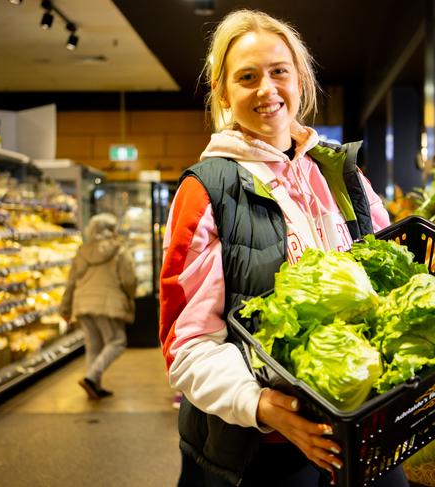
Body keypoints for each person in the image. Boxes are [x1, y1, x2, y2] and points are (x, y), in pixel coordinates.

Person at [159, 9, 409, 487]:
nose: (266, 90)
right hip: (261, 451)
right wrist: (263, 406)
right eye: (247, 77)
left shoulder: (341, 173)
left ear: (301, 81)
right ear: (223, 92)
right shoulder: (208, 190)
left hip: (360, 424)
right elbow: (187, 344)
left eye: (279, 72)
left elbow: (391, 280)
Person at [61, 212, 137, 400]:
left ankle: (95, 386)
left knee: (93, 346)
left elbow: (71, 282)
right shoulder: (119, 249)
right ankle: (90, 378)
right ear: (111, 230)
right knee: (117, 342)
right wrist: (131, 295)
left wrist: (65, 308)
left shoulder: (82, 251)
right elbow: (129, 280)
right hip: (108, 304)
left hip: (82, 303)